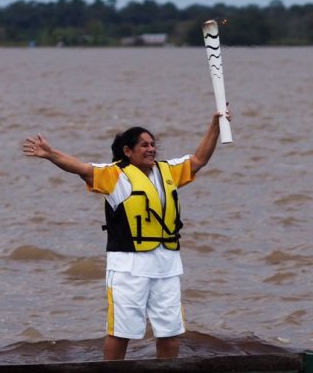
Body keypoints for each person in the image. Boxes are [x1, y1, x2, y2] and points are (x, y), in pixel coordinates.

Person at [22, 109, 230, 360]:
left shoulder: (168, 171)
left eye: (153, 144)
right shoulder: (114, 175)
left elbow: (199, 160)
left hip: (167, 266)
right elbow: (81, 168)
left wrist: (215, 126)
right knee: (121, 331)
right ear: (128, 151)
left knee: (170, 332)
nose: (151, 149)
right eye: (144, 145)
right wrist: (50, 154)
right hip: (129, 267)